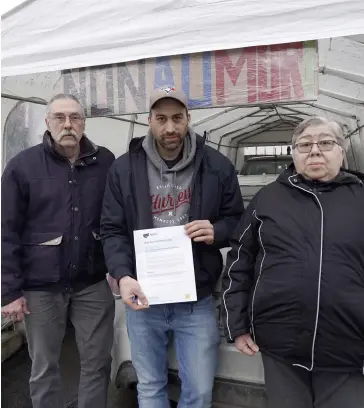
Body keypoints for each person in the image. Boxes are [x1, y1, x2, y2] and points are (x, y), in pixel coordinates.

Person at [100, 86, 244, 408]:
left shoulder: (217, 166)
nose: (170, 128)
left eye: (177, 118)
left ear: (188, 119)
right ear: (149, 121)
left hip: (196, 299)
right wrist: (123, 276)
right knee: (150, 387)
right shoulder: (124, 169)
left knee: (200, 391)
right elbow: (111, 229)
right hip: (143, 298)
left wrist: (216, 230)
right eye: (161, 118)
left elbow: (238, 219)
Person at [222, 116, 364, 408]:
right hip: (280, 345)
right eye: (304, 144)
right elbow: (239, 264)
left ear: (341, 151)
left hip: (347, 348)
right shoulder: (267, 199)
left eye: (325, 142)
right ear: (294, 154)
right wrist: (236, 326)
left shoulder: (360, 197)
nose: (314, 150)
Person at [1, 93, 116, 408]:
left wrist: (120, 269)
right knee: (44, 366)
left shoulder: (104, 162)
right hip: (40, 286)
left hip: (92, 282)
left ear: (83, 122)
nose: (68, 124)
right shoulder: (22, 167)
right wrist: (9, 290)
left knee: (98, 360)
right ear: (47, 122)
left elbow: (118, 218)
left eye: (75, 117)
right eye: (60, 118)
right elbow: (5, 230)